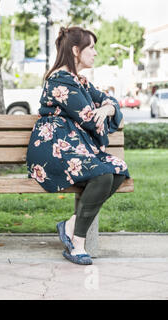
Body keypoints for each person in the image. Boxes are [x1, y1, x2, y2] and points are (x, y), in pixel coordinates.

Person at [26, 27, 130, 265]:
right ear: (75, 50)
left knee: (118, 168)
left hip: (73, 147)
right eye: (91, 47)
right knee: (103, 176)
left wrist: (107, 108)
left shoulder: (80, 81)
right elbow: (90, 119)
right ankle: (77, 243)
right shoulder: (59, 81)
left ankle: (71, 224)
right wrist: (102, 112)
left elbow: (109, 102)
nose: (95, 53)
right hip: (52, 149)